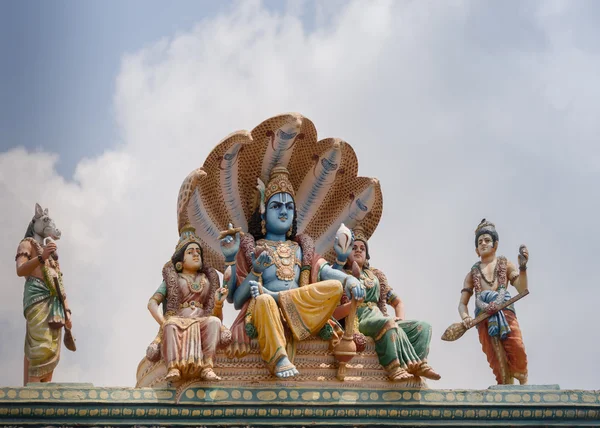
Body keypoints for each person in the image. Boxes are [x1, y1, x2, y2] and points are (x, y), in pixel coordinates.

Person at [220, 166, 365, 378]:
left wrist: (348, 281)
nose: (283, 211)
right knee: (263, 300)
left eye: (289, 207)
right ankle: (279, 359)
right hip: (266, 310)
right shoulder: (252, 249)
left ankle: (276, 296)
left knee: (334, 287)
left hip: (300, 310)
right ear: (263, 212)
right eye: (276, 206)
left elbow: (325, 272)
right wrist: (255, 270)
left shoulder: (301, 249)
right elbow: (238, 299)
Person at [332, 226, 440, 382]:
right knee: (388, 324)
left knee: (423, 327)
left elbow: (398, 302)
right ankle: (394, 368)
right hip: (359, 319)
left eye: (362, 248)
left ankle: (419, 364)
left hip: (378, 315)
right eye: (353, 247)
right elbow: (332, 312)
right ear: (345, 251)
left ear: (367, 254)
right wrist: (353, 304)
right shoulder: (340, 275)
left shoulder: (375, 276)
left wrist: (399, 319)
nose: (358, 250)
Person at [147, 225, 227, 382]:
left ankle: (207, 366)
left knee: (214, 322)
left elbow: (215, 314)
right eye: (190, 252)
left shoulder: (206, 281)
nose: (196, 255)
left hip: (201, 318)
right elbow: (152, 303)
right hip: (179, 319)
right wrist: (163, 323)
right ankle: (173, 367)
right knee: (171, 325)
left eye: (198, 252)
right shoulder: (173, 280)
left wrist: (218, 303)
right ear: (180, 261)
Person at [458, 219, 529, 384]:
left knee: (516, 346)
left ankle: (523, 381)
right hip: (483, 317)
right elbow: (462, 303)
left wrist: (523, 268)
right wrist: (466, 318)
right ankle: (505, 384)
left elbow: (521, 288)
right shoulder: (472, 274)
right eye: (480, 241)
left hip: (505, 311)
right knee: (495, 356)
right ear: (476, 249)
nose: (483, 243)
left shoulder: (505, 264)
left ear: (495, 244)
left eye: (487, 240)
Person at [15, 203, 72, 385]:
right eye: (45, 220)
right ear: (36, 222)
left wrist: (68, 311)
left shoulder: (53, 257)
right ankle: (33, 391)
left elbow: (60, 284)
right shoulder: (27, 244)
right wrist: (41, 257)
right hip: (37, 298)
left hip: (55, 304)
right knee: (41, 344)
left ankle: (44, 390)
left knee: (52, 347)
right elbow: (20, 270)